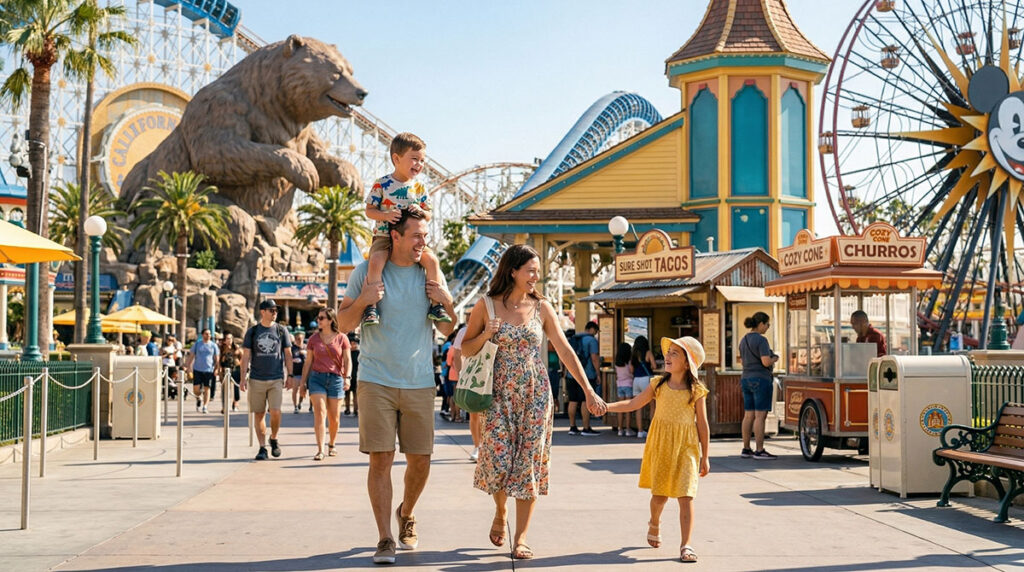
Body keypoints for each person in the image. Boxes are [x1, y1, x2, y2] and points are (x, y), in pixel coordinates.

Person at [461, 244, 605, 560]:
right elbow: (466, 349)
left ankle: (521, 537)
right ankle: (501, 512)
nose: (536, 277)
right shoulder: (486, 306)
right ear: (512, 271)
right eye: (531, 270)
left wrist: (589, 389)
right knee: (498, 462)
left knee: (528, 465)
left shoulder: (542, 307)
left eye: (538, 271)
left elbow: (565, 350)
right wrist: (486, 333)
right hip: (498, 395)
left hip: (535, 395)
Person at [337, 207, 456, 565]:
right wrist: (364, 300)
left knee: (420, 461)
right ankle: (384, 537)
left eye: (425, 235)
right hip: (376, 379)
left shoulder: (429, 273)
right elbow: (343, 323)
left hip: (419, 380)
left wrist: (445, 301)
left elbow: (448, 329)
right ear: (397, 237)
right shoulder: (366, 271)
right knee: (381, 459)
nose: (423, 242)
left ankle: (406, 512)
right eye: (416, 235)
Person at [604, 336, 710, 563]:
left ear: (687, 362)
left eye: (674, 353)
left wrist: (705, 456)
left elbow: (702, 423)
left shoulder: (697, 390)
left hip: (687, 447)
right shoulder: (658, 384)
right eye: (668, 352)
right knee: (659, 496)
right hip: (662, 445)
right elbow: (633, 404)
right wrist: (606, 406)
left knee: (686, 496)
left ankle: (686, 545)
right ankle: (654, 521)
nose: (667, 357)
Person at [361, 132, 451, 327]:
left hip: (412, 240)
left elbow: (428, 215)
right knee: (375, 260)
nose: (419, 164)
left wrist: (421, 210)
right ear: (396, 159)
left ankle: (436, 305)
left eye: (422, 160)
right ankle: (371, 307)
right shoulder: (382, 183)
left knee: (433, 261)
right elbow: (369, 210)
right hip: (384, 237)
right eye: (414, 159)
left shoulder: (419, 188)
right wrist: (385, 216)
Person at [240, 299, 294, 461]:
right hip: (256, 378)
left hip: (276, 377)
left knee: (276, 411)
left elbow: (288, 355)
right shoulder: (253, 331)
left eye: (276, 310)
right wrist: (243, 378)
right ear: (262, 312)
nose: (275, 313)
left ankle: (274, 438)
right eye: (271, 310)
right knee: (259, 414)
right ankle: (262, 447)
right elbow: (246, 356)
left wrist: (290, 375)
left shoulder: (281, 330)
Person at [299, 307, 351, 461]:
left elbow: (347, 360)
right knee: (320, 413)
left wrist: (347, 377)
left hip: (336, 379)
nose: (318, 320)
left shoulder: (342, 338)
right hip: (317, 378)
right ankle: (320, 449)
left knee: (334, 418)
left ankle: (332, 443)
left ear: (330, 320)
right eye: (318, 317)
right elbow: (308, 362)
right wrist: (303, 383)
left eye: (321, 318)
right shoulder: (314, 339)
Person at [738, 311, 779, 460]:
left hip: (746, 378)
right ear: (761, 324)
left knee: (748, 415)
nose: (768, 327)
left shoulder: (744, 340)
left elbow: (742, 361)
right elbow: (765, 362)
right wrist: (775, 358)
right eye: (767, 324)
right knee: (760, 416)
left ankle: (746, 448)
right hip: (761, 379)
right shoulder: (761, 340)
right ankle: (760, 450)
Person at [565, 321, 602, 436]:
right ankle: (586, 428)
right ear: (591, 329)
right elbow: (594, 358)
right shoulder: (591, 340)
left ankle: (572, 427)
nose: (595, 333)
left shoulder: (573, 339)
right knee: (585, 401)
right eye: (595, 331)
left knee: (573, 400)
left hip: (571, 375)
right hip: (587, 375)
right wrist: (598, 373)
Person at [185, 328, 219, 413]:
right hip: (197, 369)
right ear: (202, 335)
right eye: (206, 334)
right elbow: (191, 356)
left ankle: (205, 406)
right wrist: (188, 367)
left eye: (209, 334)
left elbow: (217, 359)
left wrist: (217, 369)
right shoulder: (197, 344)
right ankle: (199, 398)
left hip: (209, 370)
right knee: (196, 390)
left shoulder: (213, 345)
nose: (208, 336)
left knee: (207, 388)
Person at [631, 335, 658, 439]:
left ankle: (640, 431)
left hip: (636, 380)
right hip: (646, 379)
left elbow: (632, 370)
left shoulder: (633, 354)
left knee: (638, 406)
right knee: (652, 406)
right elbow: (654, 366)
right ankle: (652, 430)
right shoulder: (648, 353)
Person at [614, 342, 637, 436]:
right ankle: (627, 429)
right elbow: (632, 371)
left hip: (619, 385)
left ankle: (620, 429)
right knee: (628, 408)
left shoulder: (617, 363)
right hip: (628, 385)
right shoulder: (629, 362)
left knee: (620, 408)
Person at [216, 333, 242, 412]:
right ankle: (224, 406)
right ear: (225, 340)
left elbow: (242, 357)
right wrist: (219, 368)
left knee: (236, 388)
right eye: (227, 338)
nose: (229, 340)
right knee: (224, 388)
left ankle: (235, 403)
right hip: (225, 369)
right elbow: (219, 359)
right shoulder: (222, 348)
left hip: (235, 368)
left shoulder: (236, 347)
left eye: (230, 338)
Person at [290, 331, 308, 414]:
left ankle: (300, 403)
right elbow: (288, 359)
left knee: (303, 390)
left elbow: (312, 358)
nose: (299, 340)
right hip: (296, 372)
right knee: (295, 390)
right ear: (295, 339)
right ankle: (295, 406)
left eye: (301, 339)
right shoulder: (292, 348)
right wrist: (293, 360)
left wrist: (306, 354)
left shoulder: (306, 347)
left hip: (304, 372)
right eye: (297, 339)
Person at [344, 332, 360, 416]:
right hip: (348, 376)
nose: (353, 345)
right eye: (352, 343)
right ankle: (347, 408)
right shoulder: (347, 353)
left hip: (356, 376)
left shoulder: (358, 353)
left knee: (355, 394)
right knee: (347, 394)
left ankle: (355, 409)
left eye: (355, 343)